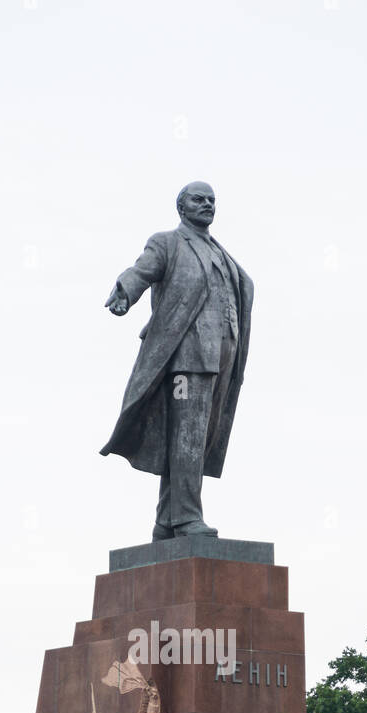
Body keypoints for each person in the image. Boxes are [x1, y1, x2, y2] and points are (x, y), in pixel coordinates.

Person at [100, 182, 253, 540]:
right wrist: (125, 290)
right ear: (181, 208)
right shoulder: (168, 242)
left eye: (212, 200)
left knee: (197, 439)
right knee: (188, 433)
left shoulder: (222, 254)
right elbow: (142, 269)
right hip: (186, 361)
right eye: (199, 199)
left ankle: (167, 520)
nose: (207, 204)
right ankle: (186, 518)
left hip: (222, 360)